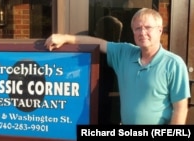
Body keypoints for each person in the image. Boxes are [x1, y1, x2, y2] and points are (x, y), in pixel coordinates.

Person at [45, 8, 191, 125]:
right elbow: (98, 43)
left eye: (148, 27)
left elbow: (180, 108)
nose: (142, 32)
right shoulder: (124, 54)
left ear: (160, 30)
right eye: (137, 28)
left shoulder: (173, 64)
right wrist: (65, 38)